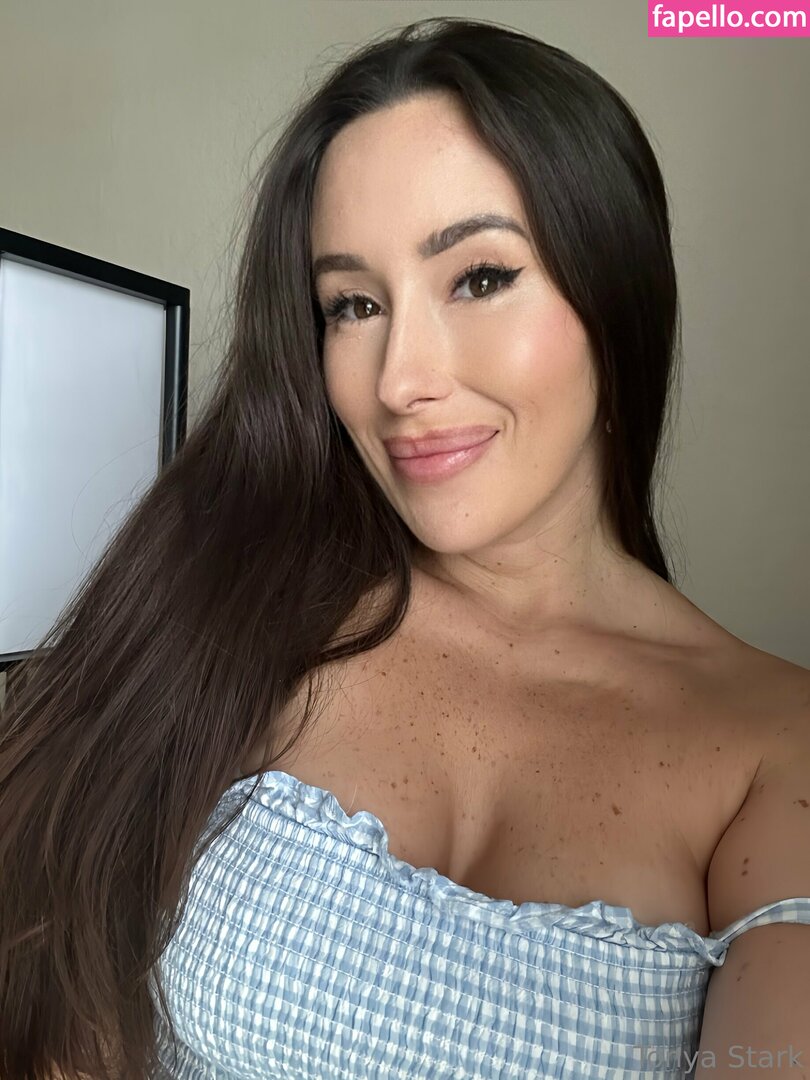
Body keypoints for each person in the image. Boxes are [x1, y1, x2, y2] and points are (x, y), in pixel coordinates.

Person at [1, 15, 808, 1080]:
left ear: (615, 288)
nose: (398, 381)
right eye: (353, 304)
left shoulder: (773, 746)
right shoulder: (241, 597)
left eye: (480, 278)